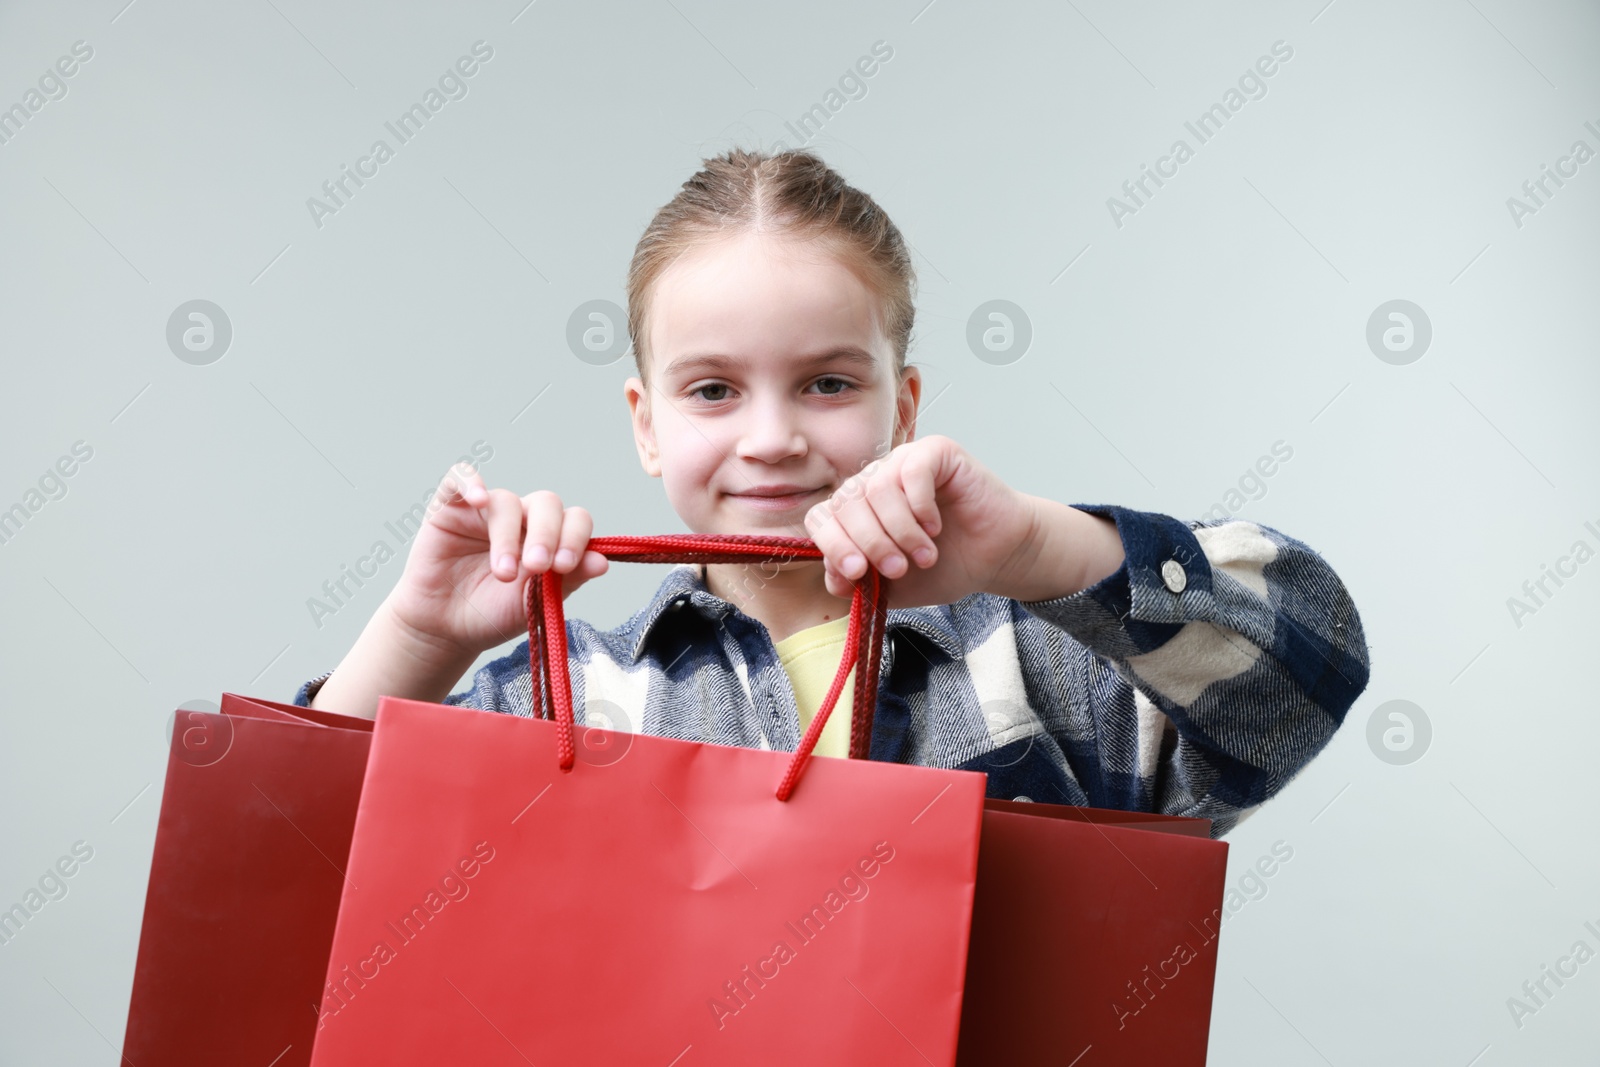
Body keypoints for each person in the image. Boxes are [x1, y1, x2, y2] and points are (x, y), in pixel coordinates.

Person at [295, 147, 1370, 838]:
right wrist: (419, 633)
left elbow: (1303, 679)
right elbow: (298, 859)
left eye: (826, 383)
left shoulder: (1044, 662)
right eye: (712, 389)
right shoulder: (560, 696)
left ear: (902, 408)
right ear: (645, 422)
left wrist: (1036, 551)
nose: (772, 438)